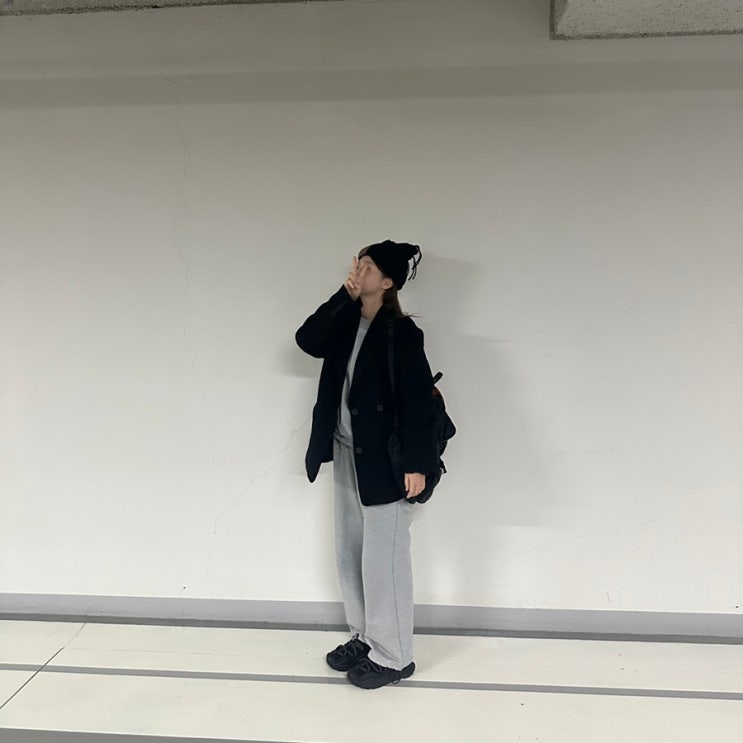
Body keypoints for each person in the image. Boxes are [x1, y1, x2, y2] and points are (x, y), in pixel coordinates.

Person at [295, 239, 440, 690]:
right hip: (345, 451)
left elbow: (417, 403)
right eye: (359, 262)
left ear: (389, 281)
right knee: (351, 552)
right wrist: (345, 296)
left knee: (384, 560)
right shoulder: (344, 321)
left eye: (370, 266)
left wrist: (417, 464)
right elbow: (307, 339)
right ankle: (365, 636)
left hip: (385, 461)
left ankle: (395, 655)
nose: (360, 270)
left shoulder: (403, 333)